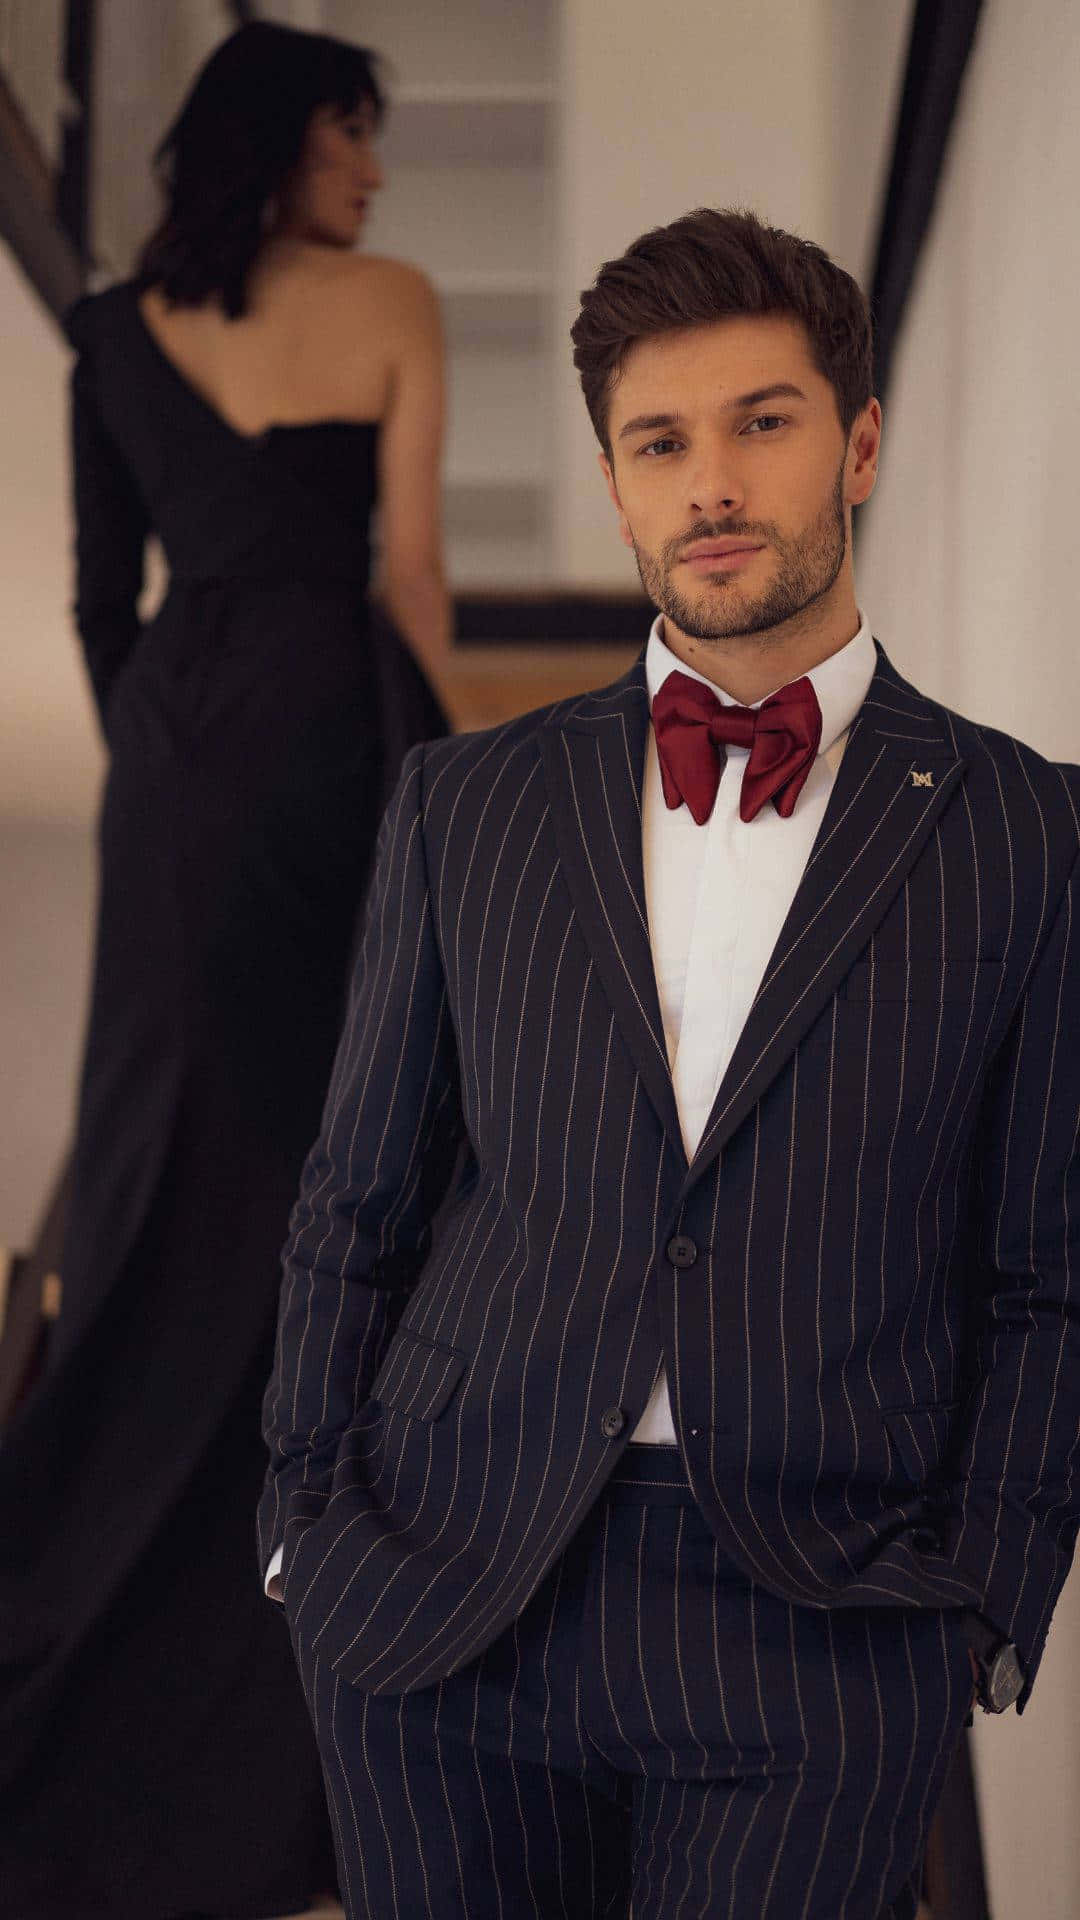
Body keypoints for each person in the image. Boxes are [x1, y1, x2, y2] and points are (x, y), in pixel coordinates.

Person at [259, 206, 1080, 1920]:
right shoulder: (465, 803)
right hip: (443, 1592)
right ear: (618, 486)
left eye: (761, 424)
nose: (710, 482)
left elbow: (1047, 1265)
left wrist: (987, 1605)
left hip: (822, 1627)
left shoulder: (1026, 826)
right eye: (662, 442)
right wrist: (303, 1526)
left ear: (857, 446)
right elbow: (357, 1198)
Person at [0, 20, 448, 1919]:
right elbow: (411, 580)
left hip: (183, 760)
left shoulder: (109, 331)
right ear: (292, 136)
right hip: (340, 745)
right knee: (351, 1166)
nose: (375, 172)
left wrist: (170, 755)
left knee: (160, 1169)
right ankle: (317, 1712)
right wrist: (442, 811)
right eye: (359, 134)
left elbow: (108, 603)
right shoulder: (396, 302)